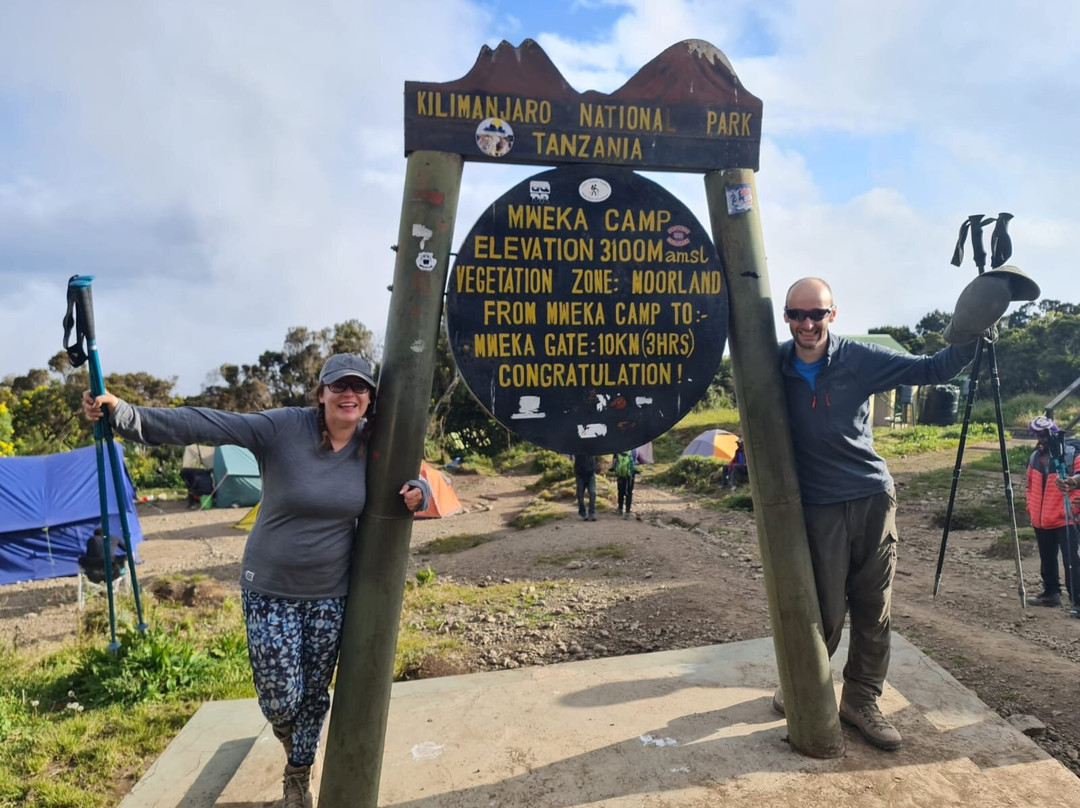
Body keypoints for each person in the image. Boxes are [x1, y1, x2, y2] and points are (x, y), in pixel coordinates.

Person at [82, 353, 429, 808]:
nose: (349, 394)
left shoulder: (375, 445)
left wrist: (419, 491)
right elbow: (204, 423)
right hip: (269, 589)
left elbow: (421, 476)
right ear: (321, 392)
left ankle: (298, 774)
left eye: (359, 387)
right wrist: (127, 414)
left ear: (370, 398)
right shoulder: (282, 428)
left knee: (314, 697)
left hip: (332, 595)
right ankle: (290, 740)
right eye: (338, 385)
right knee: (282, 700)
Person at [773, 277, 976, 752]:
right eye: (796, 314)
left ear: (833, 314)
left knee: (872, 606)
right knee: (820, 609)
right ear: (785, 316)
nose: (806, 324)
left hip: (870, 497)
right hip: (818, 506)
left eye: (816, 314)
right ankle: (807, 685)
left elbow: (932, 368)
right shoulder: (771, 365)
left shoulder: (859, 358)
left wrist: (971, 328)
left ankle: (861, 700)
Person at [1026, 416, 1080, 610]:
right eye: (1038, 435)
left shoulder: (1072, 453)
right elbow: (1030, 485)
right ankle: (1051, 593)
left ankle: (1077, 599)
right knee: (1047, 558)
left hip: (1066, 517)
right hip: (1041, 518)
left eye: (1044, 435)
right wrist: (1031, 507)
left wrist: (1073, 507)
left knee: (1071, 560)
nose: (1041, 439)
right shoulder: (1034, 457)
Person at [609, 449, 639, 519]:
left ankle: (620, 509)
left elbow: (615, 461)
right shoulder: (634, 449)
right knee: (629, 492)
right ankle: (627, 512)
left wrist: (614, 468)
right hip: (630, 475)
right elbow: (635, 461)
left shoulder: (619, 447)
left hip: (620, 474)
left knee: (620, 491)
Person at [573, 454, 596, 521]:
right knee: (580, 495)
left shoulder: (592, 446)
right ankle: (582, 513)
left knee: (592, 493)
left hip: (590, 474)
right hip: (580, 474)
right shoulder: (577, 446)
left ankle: (591, 513)